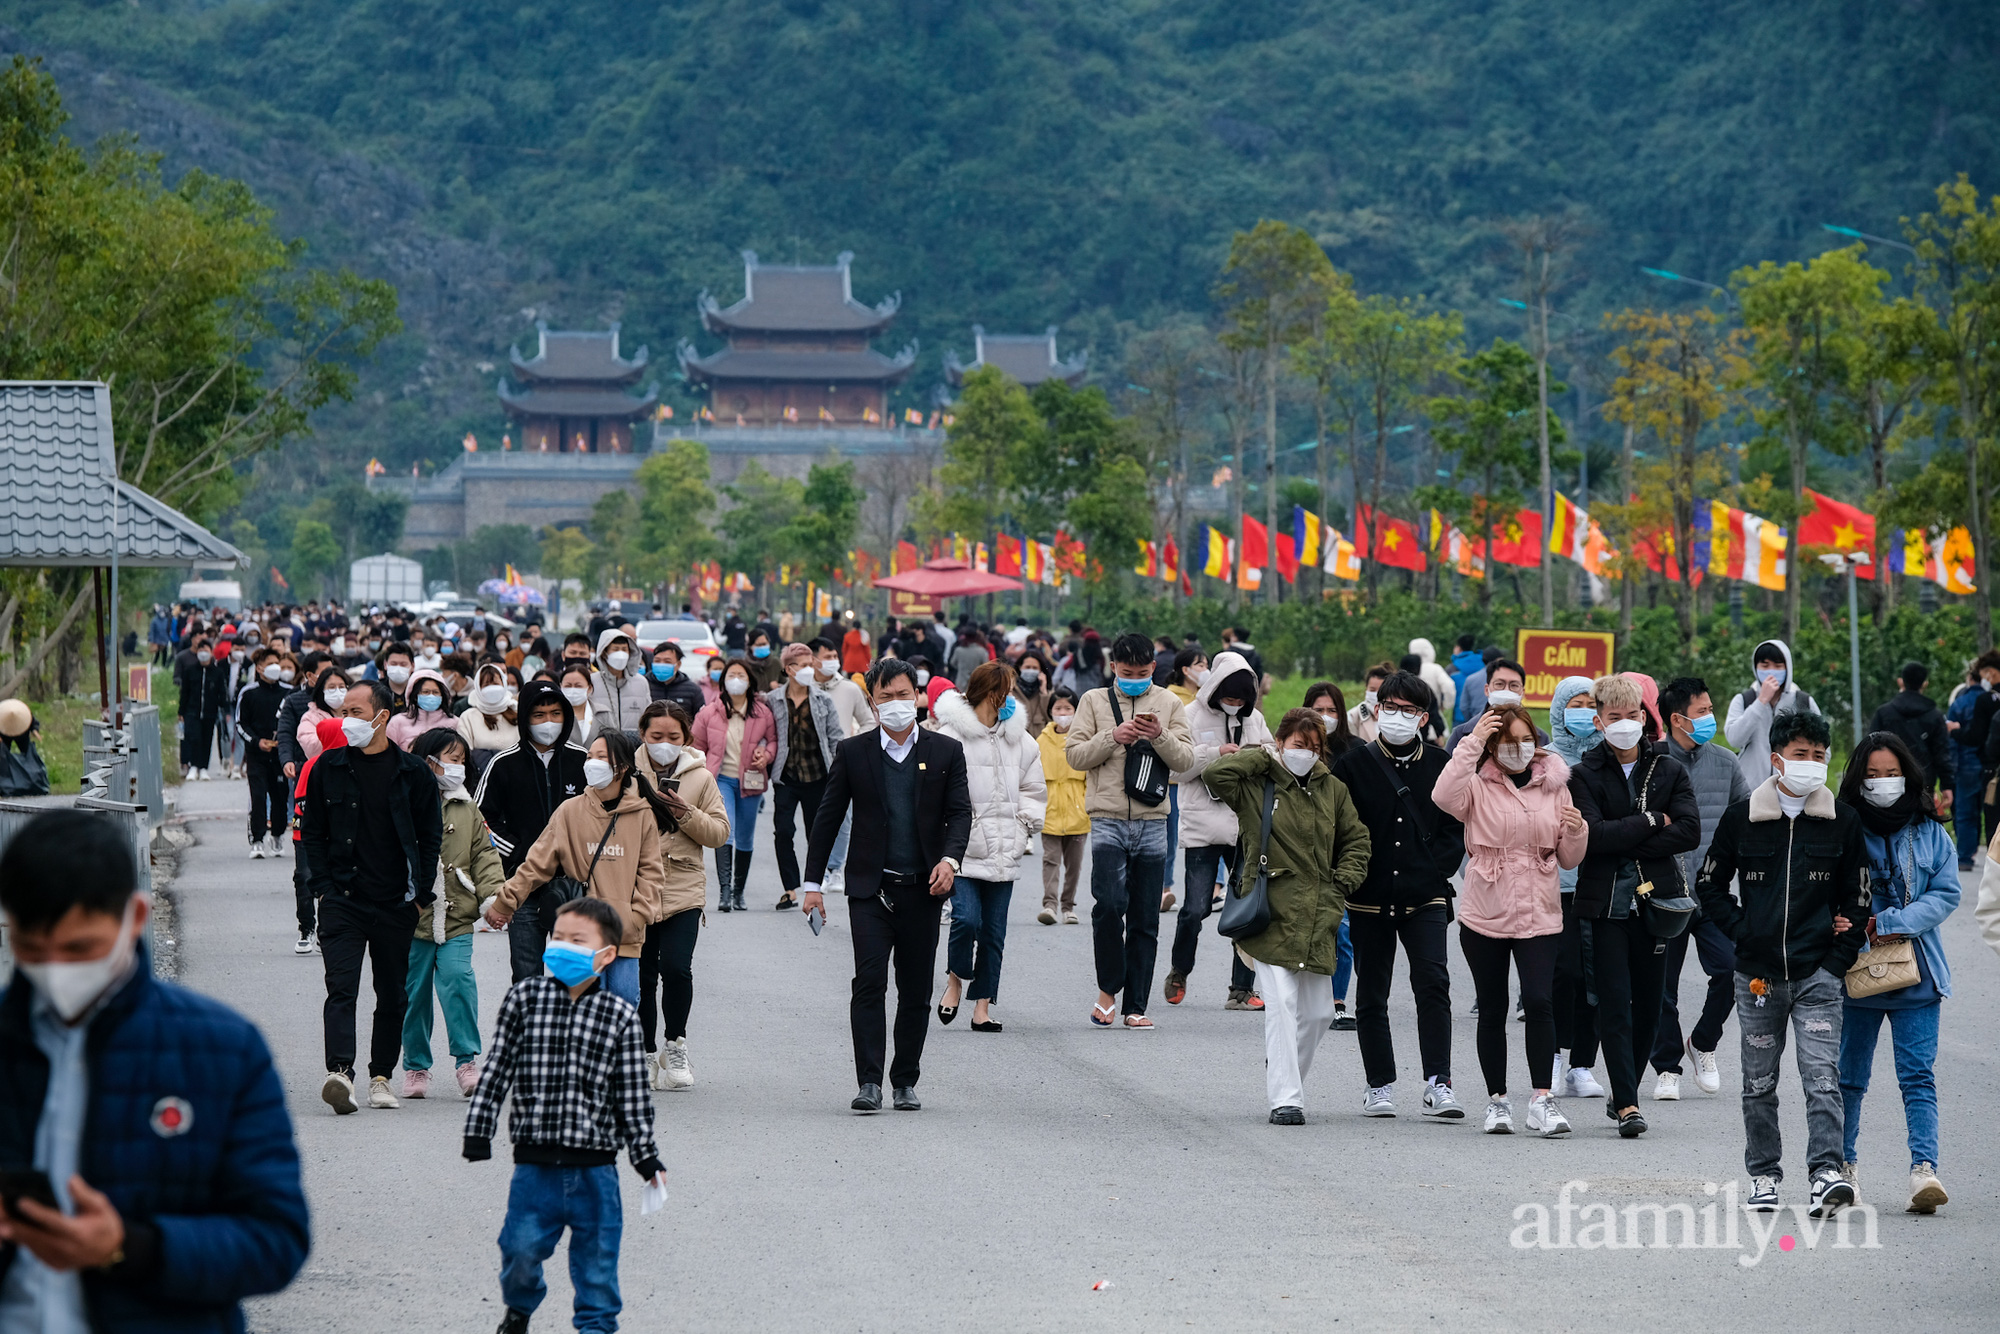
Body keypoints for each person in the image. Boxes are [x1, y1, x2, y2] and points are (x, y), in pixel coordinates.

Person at [0, 809, 310, 1330]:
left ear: (135, 918)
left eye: (81, 949)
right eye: (32, 951)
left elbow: (276, 1238)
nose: (56, 971)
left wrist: (129, 1247)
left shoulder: (222, 1049)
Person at [463, 896, 666, 1334]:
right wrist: (479, 1130)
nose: (563, 946)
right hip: (534, 1170)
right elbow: (497, 1069)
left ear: (606, 955)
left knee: (598, 1268)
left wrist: (646, 1158)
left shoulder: (619, 1017)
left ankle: (596, 1326)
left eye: (578, 940)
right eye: (558, 937)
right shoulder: (525, 998)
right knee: (518, 1250)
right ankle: (518, 1309)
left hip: (596, 1173)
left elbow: (632, 1095)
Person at [1698, 708, 1870, 1214]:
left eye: (1819, 756)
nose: (1811, 764)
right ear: (1776, 760)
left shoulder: (1842, 820)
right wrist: (1742, 935)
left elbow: (1858, 897)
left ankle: (1826, 1174)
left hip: (1818, 976)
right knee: (1759, 1084)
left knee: (1822, 1079)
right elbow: (1709, 885)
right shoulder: (1743, 818)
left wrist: (1837, 959)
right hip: (1757, 978)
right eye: (1801, 755)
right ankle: (1764, 1177)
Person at [799, 660, 973, 1111]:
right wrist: (812, 883)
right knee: (870, 982)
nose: (896, 704)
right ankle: (869, 1082)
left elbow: (960, 813)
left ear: (917, 697)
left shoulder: (945, 751)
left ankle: (905, 1080)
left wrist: (951, 860)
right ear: (872, 703)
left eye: (904, 695)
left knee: (915, 988)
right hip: (870, 890)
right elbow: (828, 817)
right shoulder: (854, 752)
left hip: (924, 888)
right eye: (886, 697)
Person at [1203, 709, 1371, 1124]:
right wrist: (1262, 757)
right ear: (1280, 742)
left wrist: (1343, 881)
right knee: (1282, 1005)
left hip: (1319, 914)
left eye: (1315, 748)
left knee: (1318, 1013)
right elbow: (1215, 776)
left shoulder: (1333, 788)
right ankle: (1287, 1098)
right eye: (1298, 745)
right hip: (1269, 911)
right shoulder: (1258, 783)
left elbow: (1357, 838)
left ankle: (1282, 1071)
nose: (1307, 754)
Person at [1434, 705, 1588, 1138]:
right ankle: (1497, 1100)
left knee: (1540, 1001)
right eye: (1507, 741)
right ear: (1492, 746)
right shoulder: (1476, 783)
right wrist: (1471, 742)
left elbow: (1569, 856)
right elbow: (1442, 797)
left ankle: (1542, 1099)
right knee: (1493, 1006)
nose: (1519, 749)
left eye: (1525, 739)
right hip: (1486, 908)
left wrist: (1577, 831)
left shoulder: (1555, 783)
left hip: (1540, 908)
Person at [1328, 669, 1468, 1118]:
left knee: (1434, 986)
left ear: (1424, 716)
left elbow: (1454, 829)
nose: (1399, 717)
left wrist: (1432, 871)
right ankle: (1379, 1084)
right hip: (1368, 897)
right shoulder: (1352, 764)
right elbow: (1339, 828)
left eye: (1409, 710)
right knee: (1372, 993)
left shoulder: (1441, 764)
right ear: (1378, 709)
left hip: (1425, 895)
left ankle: (1438, 1082)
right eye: (1391, 708)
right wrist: (1352, 874)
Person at [301, 679, 445, 1116]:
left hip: (395, 904)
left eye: (357, 712)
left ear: (383, 716)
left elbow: (429, 836)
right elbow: (313, 832)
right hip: (343, 899)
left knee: (391, 993)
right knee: (340, 988)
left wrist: (419, 895)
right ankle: (340, 1073)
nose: (347, 720)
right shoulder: (329, 766)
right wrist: (324, 887)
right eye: (343, 711)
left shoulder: (413, 772)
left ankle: (381, 1076)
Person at [1829, 732, 1958, 1213]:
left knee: (1918, 1078)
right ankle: (1844, 1170)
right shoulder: (1842, 828)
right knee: (1849, 1080)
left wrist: (1884, 922)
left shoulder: (1929, 832)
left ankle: (1924, 1172)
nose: (1883, 783)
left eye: (1891, 774)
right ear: (1858, 780)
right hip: (1854, 974)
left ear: (1907, 775)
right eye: (1873, 775)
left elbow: (1945, 895)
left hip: (1918, 976)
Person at [1564, 673, 1697, 1139]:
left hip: (1657, 901)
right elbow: (1592, 836)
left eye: (1631, 716)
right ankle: (1627, 1104)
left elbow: (1689, 831)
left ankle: (1626, 1091)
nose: (1624, 724)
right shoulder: (1582, 774)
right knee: (1615, 1002)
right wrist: (1648, 821)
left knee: (1651, 1005)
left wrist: (1626, 837)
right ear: (1599, 722)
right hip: (1604, 905)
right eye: (1613, 717)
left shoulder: (1670, 770)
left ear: (1644, 718)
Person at [1064, 632, 1196, 1029]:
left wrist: (1160, 735)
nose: (1134, 678)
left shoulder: (1171, 703)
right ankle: (1108, 990)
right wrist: (1112, 737)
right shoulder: (1093, 701)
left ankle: (1135, 1005)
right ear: (1113, 668)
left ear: (1154, 668)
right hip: (1106, 819)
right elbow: (1074, 756)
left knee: (1144, 917)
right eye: (1126, 672)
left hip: (1153, 820)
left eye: (1142, 672)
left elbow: (1187, 761)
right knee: (1107, 906)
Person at [485, 730, 664, 1010]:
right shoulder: (570, 811)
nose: (592, 762)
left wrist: (637, 916)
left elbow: (651, 873)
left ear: (623, 767)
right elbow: (536, 864)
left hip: (625, 932)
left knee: (625, 1002)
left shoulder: (642, 815)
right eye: (590, 756)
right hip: (580, 933)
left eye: (601, 757)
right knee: (582, 1008)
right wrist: (505, 901)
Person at [1647, 676, 1750, 1101]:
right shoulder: (1650, 763)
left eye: (1710, 709)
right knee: (1660, 986)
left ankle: (1703, 1044)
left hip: (1710, 892)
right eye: (1702, 711)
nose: (1710, 718)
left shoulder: (1726, 763)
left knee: (1731, 969)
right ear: (1676, 719)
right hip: (1662, 892)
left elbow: (1746, 823)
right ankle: (1667, 1066)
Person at [932, 661, 1047, 1032]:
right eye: (1006, 689)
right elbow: (935, 794)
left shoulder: (1020, 738)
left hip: (1005, 849)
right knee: (965, 919)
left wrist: (1024, 827)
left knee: (994, 932)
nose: (1010, 696)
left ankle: (982, 1006)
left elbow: (1034, 788)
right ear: (992, 692)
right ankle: (954, 981)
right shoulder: (950, 735)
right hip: (962, 848)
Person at [401, 729, 505, 1100]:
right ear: (427, 760)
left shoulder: (467, 807)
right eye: (450, 758)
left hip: (457, 913)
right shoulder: (403, 800)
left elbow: (485, 855)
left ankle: (466, 1060)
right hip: (411, 918)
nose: (456, 766)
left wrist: (493, 897)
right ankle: (415, 1066)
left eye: (461, 760)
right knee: (413, 994)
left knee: (459, 982)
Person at [1164, 649, 1269, 1010]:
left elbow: (1271, 756)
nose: (1234, 704)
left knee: (1248, 910)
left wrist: (1252, 758)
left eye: (1241, 699)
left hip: (1245, 826)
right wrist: (1215, 754)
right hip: (1203, 825)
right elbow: (1174, 769)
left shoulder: (1253, 719)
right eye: (1227, 697)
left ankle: (1241, 989)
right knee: (1195, 908)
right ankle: (1180, 969)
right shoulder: (1189, 714)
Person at [632, 702, 729, 1090]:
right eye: (656, 737)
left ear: (686, 738)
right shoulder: (625, 771)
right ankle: (642, 1052)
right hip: (634, 887)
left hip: (683, 887)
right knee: (640, 975)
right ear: (643, 735)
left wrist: (686, 812)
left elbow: (720, 833)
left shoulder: (701, 777)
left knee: (675, 967)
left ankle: (675, 1046)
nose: (664, 744)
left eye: (673, 737)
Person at [474, 680, 592, 980]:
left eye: (555, 713)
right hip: (523, 886)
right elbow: (481, 818)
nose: (548, 722)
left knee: (577, 975)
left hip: (575, 886)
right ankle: (529, 1027)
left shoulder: (584, 761)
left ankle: (569, 1028)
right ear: (525, 717)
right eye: (539, 715)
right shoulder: (503, 764)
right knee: (527, 976)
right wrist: (518, 851)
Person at [765, 643, 846, 912]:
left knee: (817, 833)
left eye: (812, 664)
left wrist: (840, 770)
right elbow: (767, 735)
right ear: (789, 669)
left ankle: (814, 882)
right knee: (783, 831)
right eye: (804, 665)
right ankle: (790, 889)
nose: (810, 669)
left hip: (818, 776)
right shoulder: (773, 699)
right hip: (785, 777)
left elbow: (836, 738)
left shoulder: (823, 700)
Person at [692, 657, 775, 912]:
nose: (735, 680)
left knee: (746, 837)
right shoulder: (709, 712)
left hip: (751, 780)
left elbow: (773, 741)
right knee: (726, 830)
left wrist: (766, 755)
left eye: (741, 675)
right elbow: (697, 746)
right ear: (723, 681)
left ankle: (739, 892)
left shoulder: (763, 712)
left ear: (750, 681)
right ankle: (725, 892)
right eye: (731, 676)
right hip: (721, 780)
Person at [1722, 638, 1820, 788]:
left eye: (1778, 666)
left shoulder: (1803, 701)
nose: (1771, 671)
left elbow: (1823, 748)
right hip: (1751, 790)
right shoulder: (1744, 700)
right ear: (1756, 668)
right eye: (1765, 665)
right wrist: (1761, 702)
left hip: (1794, 789)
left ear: (1787, 668)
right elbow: (1735, 740)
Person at [1036, 688, 1090, 926]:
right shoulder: (1041, 741)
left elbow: (1091, 776)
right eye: (1058, 708)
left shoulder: (1084, 739)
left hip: (1078, 812)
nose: (1063, 713)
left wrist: (1088, 805)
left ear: (1076, 711)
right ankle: (1049, 905)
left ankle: (1068, 906)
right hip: (1050, 809)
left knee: (1074, 865)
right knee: (1050, 861)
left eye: (1068, 708)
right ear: (1051, 711)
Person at [1867, 662, 1953, 811]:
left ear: (1901, 681)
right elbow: (1942, 754)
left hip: (1888, 784)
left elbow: (1869, 748)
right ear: (1925, 684)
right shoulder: (1935, 716)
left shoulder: (1884, 713)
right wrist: (1947, 785)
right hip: (1923, 785)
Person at [236, 647, 293, 858]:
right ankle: (257, 840)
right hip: (257, 755)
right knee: (258, 797)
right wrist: (257, 741)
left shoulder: (288, 692)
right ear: (259, 668)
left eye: (277, 663)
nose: (275, 668)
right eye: (270, 664)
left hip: (280, 755)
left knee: (280, 797)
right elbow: (241, 725)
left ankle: (277, 836)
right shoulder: (249, 693)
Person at [1443, 658, 1544, 752]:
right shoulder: (1461, 734)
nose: (1506, 690)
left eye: (1514, 685)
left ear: (1523, 693)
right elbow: (1449, 770)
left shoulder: (1540, 737)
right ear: (1487, 690)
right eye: (1499, 684)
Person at [176, 634, 228, 779]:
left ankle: (204, 768)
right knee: (194, 738)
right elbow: (184, 692)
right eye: (200, 650)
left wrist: (223, 707)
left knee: (207, 739)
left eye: (206, 650)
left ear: (211, 652)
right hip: (192, 711)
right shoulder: (190, 670)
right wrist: (181, 711)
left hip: (210, 712)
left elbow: (221, 693)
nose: (203, 653)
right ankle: (194, 766)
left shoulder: (217, 673)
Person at [586, 627, 652, 737]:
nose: (621, 654)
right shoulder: (592, 682)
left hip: (633, 746)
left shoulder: (641, 682)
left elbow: (648, 718)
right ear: (604, 653)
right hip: (602, 745)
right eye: (615, 649)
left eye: (624, 649)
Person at [387, 667, 461, 751]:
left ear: (442, 695)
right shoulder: (397, 722)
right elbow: (389, 754)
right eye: (426, 692)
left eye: (435, 692)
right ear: (415, 695)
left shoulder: (455, 723)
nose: (431, 696)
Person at [814, 637, 875, 736]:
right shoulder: (805, 689)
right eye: (828, 657)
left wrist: (851, 744)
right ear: (813, 660)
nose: (833, 661)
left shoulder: (850, 688)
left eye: (835, 656)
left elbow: (869, 723)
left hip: (843, 749)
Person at [644, 640, 707, 717]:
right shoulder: (643, 685)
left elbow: (700, 719)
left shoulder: (692, 690)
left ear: (678, 664)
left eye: (667, 662)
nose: (661, 664)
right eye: (657, 661)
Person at [1406, 636, 1457, 727]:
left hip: (1409, 717)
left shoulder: (1408, 668)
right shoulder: (1435, 669)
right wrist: (1445, 706)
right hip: (1433, 717)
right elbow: (1449, 686)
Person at [1012, 648, 1055, 735]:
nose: (1031, 670)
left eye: (1035, 668)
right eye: (1027, 667)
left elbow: (1051, 720)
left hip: (1040, 743)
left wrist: (1044, 693)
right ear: (1020, 668)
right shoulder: (1011, 690)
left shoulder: (1048, 693)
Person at [558, 663, 598, 743]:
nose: (573, 690)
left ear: (589, 688)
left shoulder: (603, 713)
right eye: (568, 686)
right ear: (561, 686)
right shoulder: (555, 715)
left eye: (578, 686)